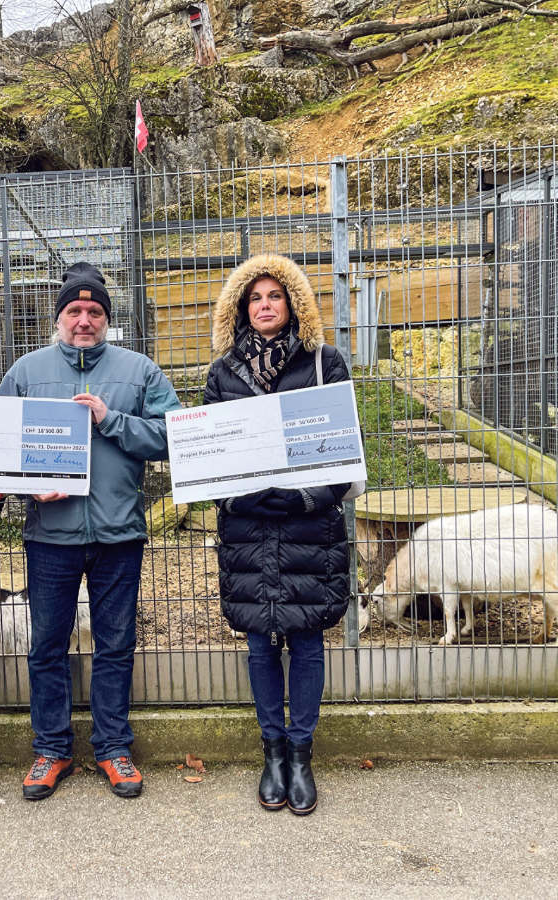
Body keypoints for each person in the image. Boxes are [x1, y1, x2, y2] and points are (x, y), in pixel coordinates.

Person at [0, 261, 181, 800]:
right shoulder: (26, 372)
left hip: (118, 534)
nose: (84, 320)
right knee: (47, 646)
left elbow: (174, 436)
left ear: (107, 319)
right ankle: (51, 749)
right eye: (75, 310)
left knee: (115, 644)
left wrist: (111, 420)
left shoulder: (139, 372)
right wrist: (26, 488)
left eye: (95, 311)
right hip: (49, 537)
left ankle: (113, 747)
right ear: (59, 318)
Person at [204, 254, 354, 816]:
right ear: (241, 309)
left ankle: (301, 755)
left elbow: (343, 449)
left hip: (308, 529)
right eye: (255, 298)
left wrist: (302, 497)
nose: (265, 305)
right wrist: (242, 497)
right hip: (248, 531)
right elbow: (210, 458)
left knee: (308, 640)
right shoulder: (222, 373)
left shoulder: (324, 363)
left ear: (294, 304)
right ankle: (272, 753)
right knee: (260, 643)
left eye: (275, 296)